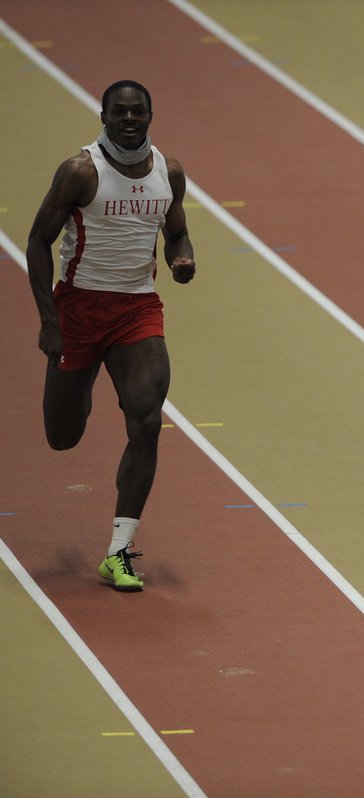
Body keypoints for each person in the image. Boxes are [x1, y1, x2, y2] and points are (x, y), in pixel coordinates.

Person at [26, 79, 195, 592]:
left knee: (146, 419)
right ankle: (83, 386)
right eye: (118, 112)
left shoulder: (169, 171)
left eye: (137, 112)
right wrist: (49, 322)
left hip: (137, 310)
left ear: (150, 115)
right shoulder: (80, 171)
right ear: (103, 115)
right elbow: (37, 243)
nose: (128, 120)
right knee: (63, 437)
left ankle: (119, 551)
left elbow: (177, 230)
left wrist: (181, 258)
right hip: (78, 309)